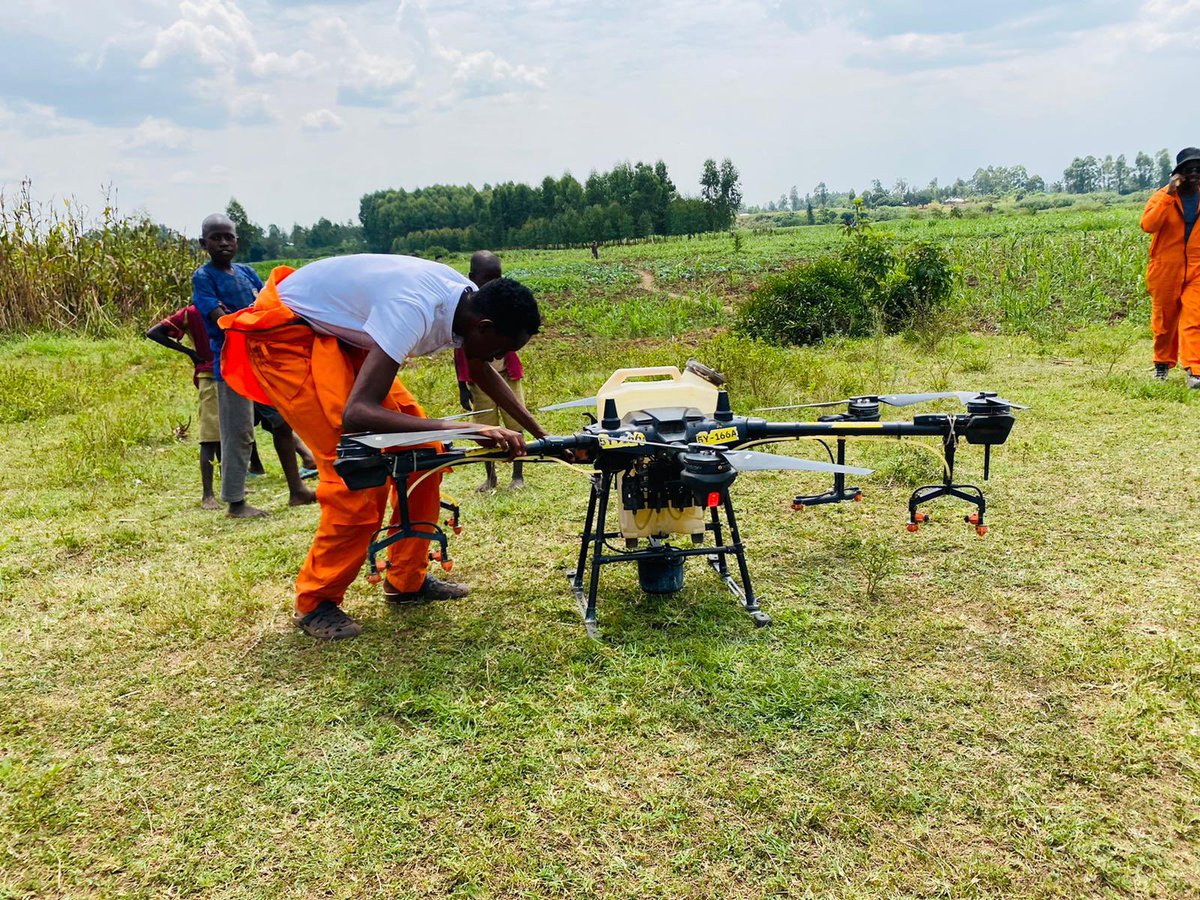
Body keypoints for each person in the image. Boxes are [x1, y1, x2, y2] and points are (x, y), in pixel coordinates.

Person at [217, 253, 546, 640]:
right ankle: (315, 601)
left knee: (426, 453)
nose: (499, 359)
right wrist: (464, 427)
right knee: (357, 469)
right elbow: (358, 413)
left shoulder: (469, 300)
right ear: (484, 326)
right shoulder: (412, 310)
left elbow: (477, 366)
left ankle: (407, 579)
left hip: (339, 335)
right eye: (500, 348)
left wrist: (539, 434)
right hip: (289, 337)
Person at [190, 213, 316, 516]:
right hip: (232, 365)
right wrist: (257, 319)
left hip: (262, 361)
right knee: (239, 432)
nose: (222, 242)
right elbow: (219, 319)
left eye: (228, 237)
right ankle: (236, 502)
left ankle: (297, 489)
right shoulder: (204, 277)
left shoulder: (247, 272)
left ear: (237, 241)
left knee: (282, 423)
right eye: (215, 237)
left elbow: (268, 304)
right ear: (203, 243)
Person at [453, 251, 527, 491]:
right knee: (486, 427)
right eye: (487, 277)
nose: (493, 282)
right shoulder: (465, 307)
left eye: (498, 277)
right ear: (473, 277)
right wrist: (462, 384)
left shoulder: (502, 303)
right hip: (479, 378)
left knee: (515, 421)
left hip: (507, 373)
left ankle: (518, 476)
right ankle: (491, 477)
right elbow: (458, 350)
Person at [145, 304, 223, 509]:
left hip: (225, 373)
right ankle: (208, 494)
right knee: (210, 436)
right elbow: (153, 333)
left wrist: (189, 352)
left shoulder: (196, 311)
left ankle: (227, 486)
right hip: (211, 375)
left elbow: (155, 332)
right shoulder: (196, 312)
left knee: (223, 434)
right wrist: (189, 352)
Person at [1142, 147, 1200, 384]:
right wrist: (1169, 193)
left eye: (1199, 169)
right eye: (1190, 169)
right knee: (1164, 322)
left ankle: (1194, 371)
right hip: (1165, 268)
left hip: (1197, 268)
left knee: (1195, 317)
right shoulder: (1162, 197)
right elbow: (1148, 224)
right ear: (1179, 173)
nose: (1195, 173)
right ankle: (1162, 365)